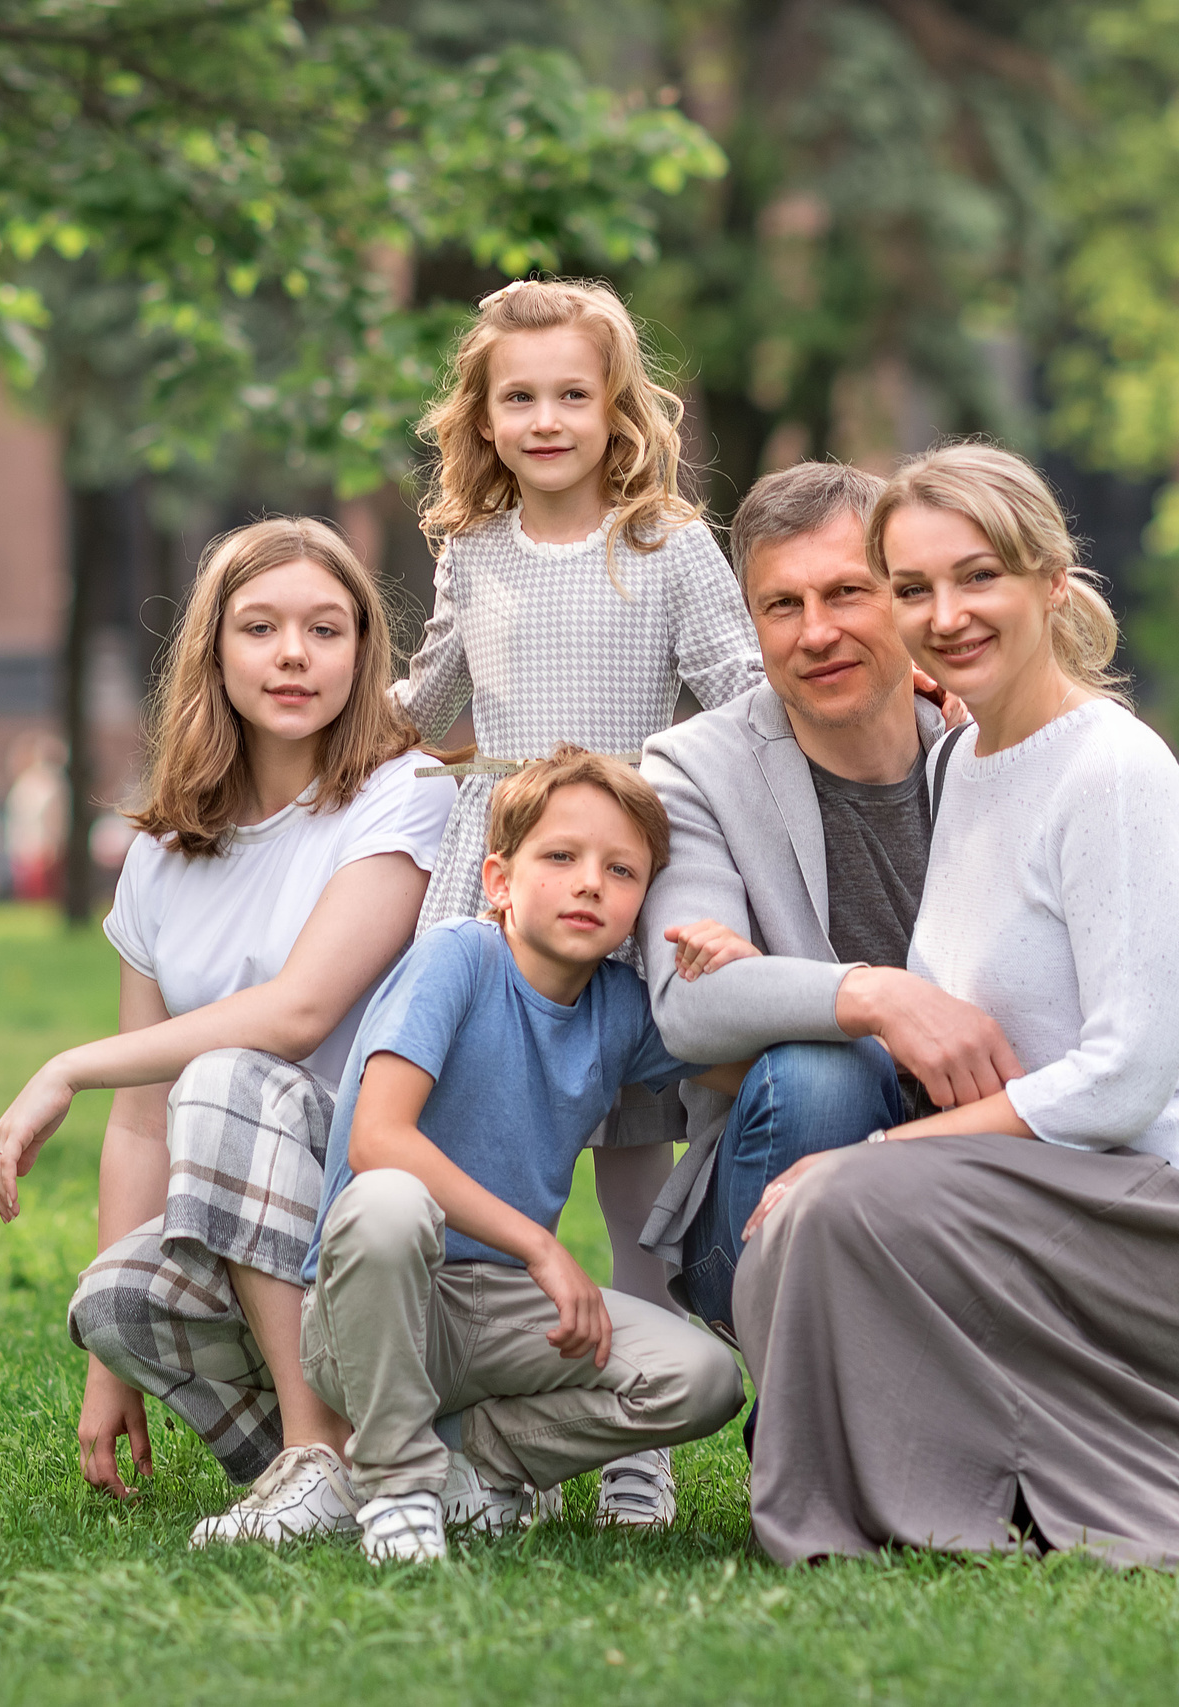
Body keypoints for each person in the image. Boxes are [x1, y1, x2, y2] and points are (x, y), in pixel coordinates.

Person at [636, 460, 1179, 1453]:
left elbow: (1087, 996)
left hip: (1000, 1159)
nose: (817, 631)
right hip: (789, 1184)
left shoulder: (986, 747)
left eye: (848, 592)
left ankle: (964, 1412)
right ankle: (835, 1403)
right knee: (821, 1072)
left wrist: (1178, 1061)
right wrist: (873, 997)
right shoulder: (695, 770)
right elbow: (683, 1011)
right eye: (780, 605)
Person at [0, 517, 455, 1548]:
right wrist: (111, 1374)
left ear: (364, 653)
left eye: (326, 630)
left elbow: (300, 1013)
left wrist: (65, 1067)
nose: (293, 655)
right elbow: (143, 1125)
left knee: (230, 1073)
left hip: (386, 1210)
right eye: (261, 628)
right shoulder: (160, 854)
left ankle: (323, 1451)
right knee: (114, 1296)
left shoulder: (402, 798)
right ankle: (362, 1468)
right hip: (252, 1227)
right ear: (216, 652)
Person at [388, 276, 762, 1523]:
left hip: (622, 880)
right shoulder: (472, 555)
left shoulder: (665, 546)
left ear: (618, 411)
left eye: (572, 395)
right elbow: (425, 707)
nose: (546, 418)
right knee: (477, 1130)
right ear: (481, 419)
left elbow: (742, 695)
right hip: (492, 876)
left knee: (632, 1159)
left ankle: (636, 1445)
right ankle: (477, 1409)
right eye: (518, 397)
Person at [297, 747, 749, 1563]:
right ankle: (395, 1484)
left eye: (622, 870)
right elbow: (378, 1139)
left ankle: (473, 1462)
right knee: (392, 1201)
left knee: (704, 1378)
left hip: (496, 1317)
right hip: (376, 1303)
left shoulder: (617, 1007)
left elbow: (747, 1065)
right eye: (562, 857)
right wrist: (541, 1244)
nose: (590, 883)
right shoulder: (455, 958)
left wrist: (738, 978)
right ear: (500, 880)